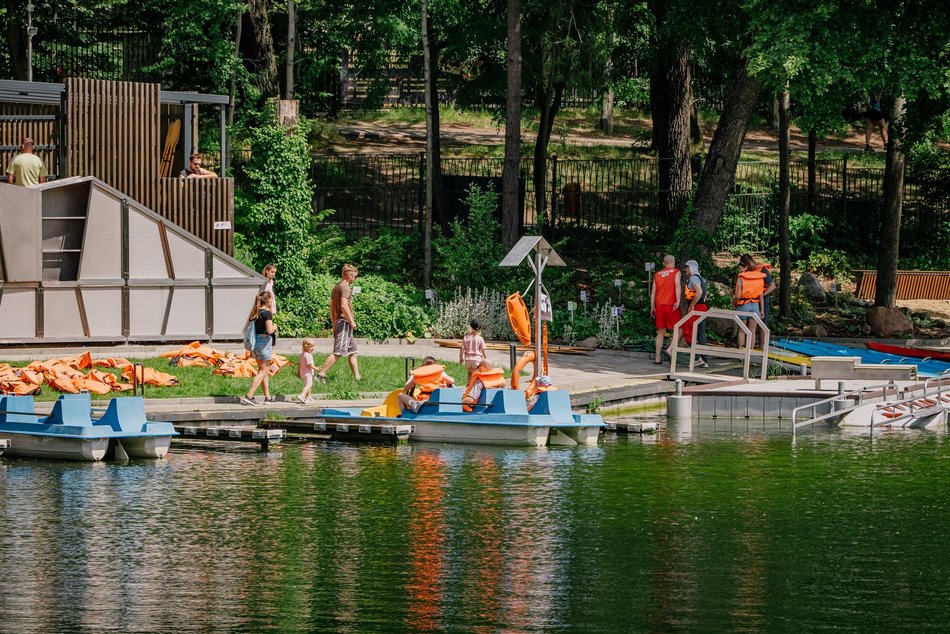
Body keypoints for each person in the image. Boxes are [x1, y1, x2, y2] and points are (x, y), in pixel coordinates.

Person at [317, 264, 361, 382]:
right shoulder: (345, 287)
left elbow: (331, 306)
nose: (354, 279)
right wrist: (351, 322)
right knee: (339, 351)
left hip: (338, 321)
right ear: (349, 275)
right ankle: (321, 374)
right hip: (344, 322)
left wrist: (333, 322)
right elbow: (343, 305)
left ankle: (357, 378)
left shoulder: (337, 287)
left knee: (353, 351)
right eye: (354, 276)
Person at [241, 290, 277, 405]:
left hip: (255, 343)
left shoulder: (255, 313)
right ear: (268, 300)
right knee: (262, 371)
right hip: (264, 343)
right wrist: (275, 327)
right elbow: (270, 330)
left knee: (263, 370)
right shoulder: (267, 314)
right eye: (271, 299)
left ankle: (268, 397)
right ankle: (249, 396)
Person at [649, 254, 682, 364]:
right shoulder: (676, 272)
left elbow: (653, 292)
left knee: (660, 332)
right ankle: (670, 349)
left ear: (664, 263)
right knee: (679, 329)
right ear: (674, 262)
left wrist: (652, 306)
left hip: (659, 306)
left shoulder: (657, 274)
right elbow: (677, 285)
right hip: (671, 305)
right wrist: (678, 300)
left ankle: (657, 358)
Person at [680, 259, 709, 368]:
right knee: (700, 332)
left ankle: (699, 357)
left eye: (687, 267)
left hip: (696, 307)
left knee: (689, 331)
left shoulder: (693, 278)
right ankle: (703, 359)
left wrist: (691, 306)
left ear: (691, 268)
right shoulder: (702, 279)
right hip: (702, 306)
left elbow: (700, 292)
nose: (685, 270)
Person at [734, 258, 768, 349]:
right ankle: (750, 352)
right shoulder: (759, 278)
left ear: (746, 267)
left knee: (741, 331)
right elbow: (760, 295)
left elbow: (737, 295)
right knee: (752, 331)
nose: (739, 270)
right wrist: (762, 310)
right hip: (755, 306)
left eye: (740, 268)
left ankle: (742, 353)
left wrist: (734, 302)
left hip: (743, 304)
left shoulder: (741, 279)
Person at [739, 254, 776, 326]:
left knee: (762, 323)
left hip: (763, 299)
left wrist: (761, 295)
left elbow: (772, 286)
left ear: (747, 264)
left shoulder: (762, 269)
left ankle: (763, 337)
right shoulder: (747, 271)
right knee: (750, 325)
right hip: (751, 301)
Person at [294, 339, 316, 404]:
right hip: (308, 373)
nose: (313, 348)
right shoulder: (308, 355)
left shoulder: (302, 354)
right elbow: (310, 365)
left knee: (308, 385)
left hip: (303, 373)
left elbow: (300, 364)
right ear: (306, 346)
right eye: (311, 346)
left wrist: (298, 372)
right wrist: (317, 368)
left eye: (313, 346)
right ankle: (302, 395)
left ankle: (308, 397)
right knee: (309, 385)